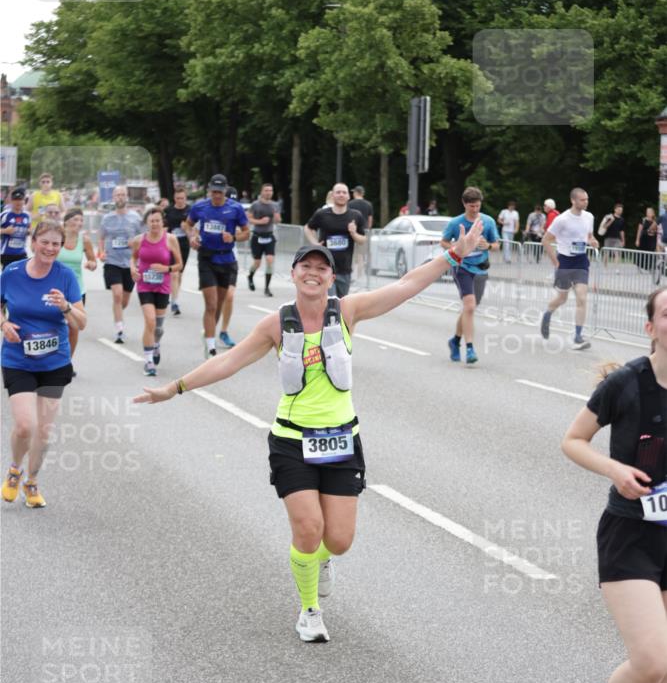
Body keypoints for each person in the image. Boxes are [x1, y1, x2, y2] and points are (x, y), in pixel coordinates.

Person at [134, 225, 483, 642]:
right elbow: (229, 361)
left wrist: (454, 256)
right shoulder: (275, 324)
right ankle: (309, 610)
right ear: (294, 273)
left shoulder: (348, 311)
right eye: (306, 266)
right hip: (292, 441)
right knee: (307, 527)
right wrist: (174, 389)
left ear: (330, 278)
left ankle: (320, 560)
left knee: (338, 540)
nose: (313, 273)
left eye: (322, 267)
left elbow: (407, 285)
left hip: (340, 440)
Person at [562, 285, 667, 683]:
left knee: (665, 670)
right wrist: (615, 469)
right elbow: (572, 441)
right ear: (651, 326)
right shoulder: (627, 382)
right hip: (631, 535)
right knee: (652, 658)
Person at [1, 222, 86, 508]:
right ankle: (15, 469)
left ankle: (32, 482)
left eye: (56, 244)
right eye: (45, 242)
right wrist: (3, 323)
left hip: (54, 361)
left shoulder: (65, 277)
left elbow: (81, 323)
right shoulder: (11, 273)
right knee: (25, 426)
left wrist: (66, 307)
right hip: (18, 358)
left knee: (45, 430)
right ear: (33, 241)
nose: (50, 248)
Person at [183, 174, 249, 354]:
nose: (217, 195)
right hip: (206, 258)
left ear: (225, 190)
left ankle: (209, 333)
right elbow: (187, 224)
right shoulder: (200, 207)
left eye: (220, 192)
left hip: (226, 259)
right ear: (209, 190)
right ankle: (211, 348)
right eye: (214, 192)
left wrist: (234, 237)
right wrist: (192, 237)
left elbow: (246, 233)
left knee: (220, 304)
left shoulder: (235, 208)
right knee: (211, 305)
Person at [440, 186, 500, 366]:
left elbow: (497, 244)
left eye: (477, 206)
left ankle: (455, 341)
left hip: (480, 268)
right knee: (470, 305)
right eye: (471, 206)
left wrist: (487, 246)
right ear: (464, 204)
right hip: (462, 267)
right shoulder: (456, 223)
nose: (475, 210)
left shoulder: (487, 222)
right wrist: (457, 248)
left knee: (469, 309)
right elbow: (443, 241)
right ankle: (470, 348)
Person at [540, 187, 599, 351]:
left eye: (587, 199)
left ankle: (578, 336)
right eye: (582, 200)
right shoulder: (562, 219)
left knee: (581, 298)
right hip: (565, 261)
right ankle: (547, 314)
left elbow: (588, 236)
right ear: (573, 200)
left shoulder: (589, 217)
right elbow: (546, 240)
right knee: (562, 298)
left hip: (581, 262)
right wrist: (555, 261)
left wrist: (593, 241)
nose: (586, 202)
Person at [130, 208, 183, 376]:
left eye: (157, 220)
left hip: (162, 286)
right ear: (147, 223)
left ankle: (156, 344)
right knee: (150, 321)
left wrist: (165, 268)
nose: (155, 224)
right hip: (144, 285)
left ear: (162, 222)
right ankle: (149, 361)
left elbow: (179, 265)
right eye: (152, 221)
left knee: (158, 328)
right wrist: (133, 269)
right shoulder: (139, 240)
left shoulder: (171, 239)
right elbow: (133, 258)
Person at [97, 185, 143, 343]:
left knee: (124, 300)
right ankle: (119, 330)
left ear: (127, 197)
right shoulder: (107, 218)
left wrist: (134, 243)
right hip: (112, 261)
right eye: (117, 195)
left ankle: (118, 314)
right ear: (113, 197)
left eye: (123, 195)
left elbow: (143, 238)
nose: (120, 197)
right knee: (117, 295)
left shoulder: (136, 218)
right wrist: (101, 253)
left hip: (130, 263)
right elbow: (101, 238)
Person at [304, 182, 365, 298]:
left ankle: (337, 317)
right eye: (338, 192)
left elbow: (362, 240)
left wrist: (353, 233)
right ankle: (327, 316)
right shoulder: (322, 214)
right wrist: (314, 243)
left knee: (341, 304)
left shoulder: (355, 216)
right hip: (325, 267)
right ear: (333, 196)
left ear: (348, 196)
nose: (341, 195)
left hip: (344, 269)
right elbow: (308, 228)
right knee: (330, 301)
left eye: (344, 192)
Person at [56, 208, 96, 363]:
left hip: (77, 290)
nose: (78, 223)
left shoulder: (84, 240)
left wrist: (91, 264)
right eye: (75, 220)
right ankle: (52, 360)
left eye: (81, 221)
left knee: (74, 328)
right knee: (56, 326)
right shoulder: (58, 238)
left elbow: (92, 260)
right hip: (55, 289)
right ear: (66, 221)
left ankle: (67, 362)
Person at [247, 183, 281, 297]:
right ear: (261, 192)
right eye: (266, 190)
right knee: (257, 263)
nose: (268, 192)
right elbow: (249, 218)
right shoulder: (255, 205)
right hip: (257, 236)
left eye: (270, 190)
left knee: (270, 260)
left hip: (269, 236)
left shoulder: (275, 205)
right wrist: (260, 222)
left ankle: (267, 288)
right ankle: (250, 276)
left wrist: (277, 218)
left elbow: (278, 220)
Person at [163, 186, 191, 316]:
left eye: (183, 198)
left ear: (186, 198)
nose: (180, 201)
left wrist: (186, 229)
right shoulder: (168, 211)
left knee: (179, 274)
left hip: (184, 244)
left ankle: (174, 296)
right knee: (174, 273)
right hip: (171, 244)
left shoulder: (190, 210)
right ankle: (174, 302)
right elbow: (164, 227)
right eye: (178, 198)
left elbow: (193, 229)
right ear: (174, 198)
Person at [1, 188, 31, 269]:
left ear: (24, 201)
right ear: (11, 201)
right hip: (7, 253)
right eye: (15, 199)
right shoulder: (5, 215)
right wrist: (5, 231)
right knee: (8, 276)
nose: (18, 202)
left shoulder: (27, 216)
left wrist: (29, 232)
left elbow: (30, 230)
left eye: (20, 199)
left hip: (21, 252)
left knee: (22, 275)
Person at [635, 207, 661, 272]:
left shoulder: (655, 220)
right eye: (647, 211)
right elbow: (639, 230)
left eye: (649, 211)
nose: (648, 213)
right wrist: (637, 240)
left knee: (652, 253)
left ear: (653, 213)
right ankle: (639, 267)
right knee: (642, 253)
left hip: (652, 239)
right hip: (644, 239)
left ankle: (650, 267)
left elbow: (657, 230)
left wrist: (654, 232)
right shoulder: (643, 220)